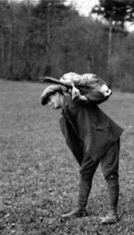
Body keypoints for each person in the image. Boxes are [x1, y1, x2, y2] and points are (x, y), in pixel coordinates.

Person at [40, 83, 123, 224]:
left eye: (50, 99)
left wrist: (82, 96)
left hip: (106, 136)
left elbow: (100, 94)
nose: (49, 104)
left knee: (110, 173)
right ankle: (80, 209)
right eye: (47, 102)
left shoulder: (75, 98)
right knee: (85, 172)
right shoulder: (66, 110)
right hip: (92, 143)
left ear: (58, 94)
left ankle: (112, 213)